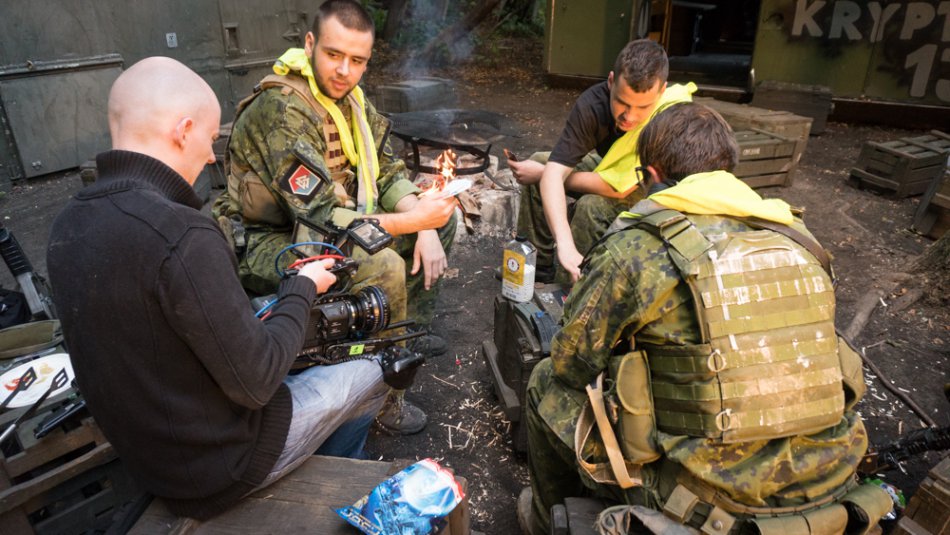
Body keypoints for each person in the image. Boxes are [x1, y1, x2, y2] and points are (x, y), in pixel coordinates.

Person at [519, 102, 893, 535]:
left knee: (544, 382)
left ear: (651, 176)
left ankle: (545, 518)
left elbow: (571, 363)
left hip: (712, 503)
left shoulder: (636, 249)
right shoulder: (801, 239)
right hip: (830, 481)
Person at [46, 56, 391, 520]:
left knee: (269, 315)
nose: (211, 156)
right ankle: (334, 487)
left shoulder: (67, 225)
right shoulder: (181, 233)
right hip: (219, 471)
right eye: (210, 139)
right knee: (374, 369)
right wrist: (302, 286)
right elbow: (258, 382)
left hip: (151, 459)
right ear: (182, 130)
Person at [212, 0, 456, 435]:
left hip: (323, 223)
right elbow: (321, 215)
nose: (344, 70)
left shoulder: (352, 103)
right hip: (268, 239)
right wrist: (414, 224)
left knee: (443, 222)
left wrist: (422, 215)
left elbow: (388, 170)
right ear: (310, 45)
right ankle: (384, 398)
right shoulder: (283, 111)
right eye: (333, 55)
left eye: (357, 60)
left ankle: (405, 331)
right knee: (382, 263)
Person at [508, 39, 695, 283]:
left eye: (642, 107)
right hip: (611, 169)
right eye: (622, 102)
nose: (630, 116)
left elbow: (619, 188)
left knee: (591, 208)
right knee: (540, 160)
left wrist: (543, 174)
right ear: (610, 82)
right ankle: (539, 265)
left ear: (661, 92)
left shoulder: (669, 115)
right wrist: (563, 243)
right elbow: (554, 172)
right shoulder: (592, 105)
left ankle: (572, 288)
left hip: (653, 190)